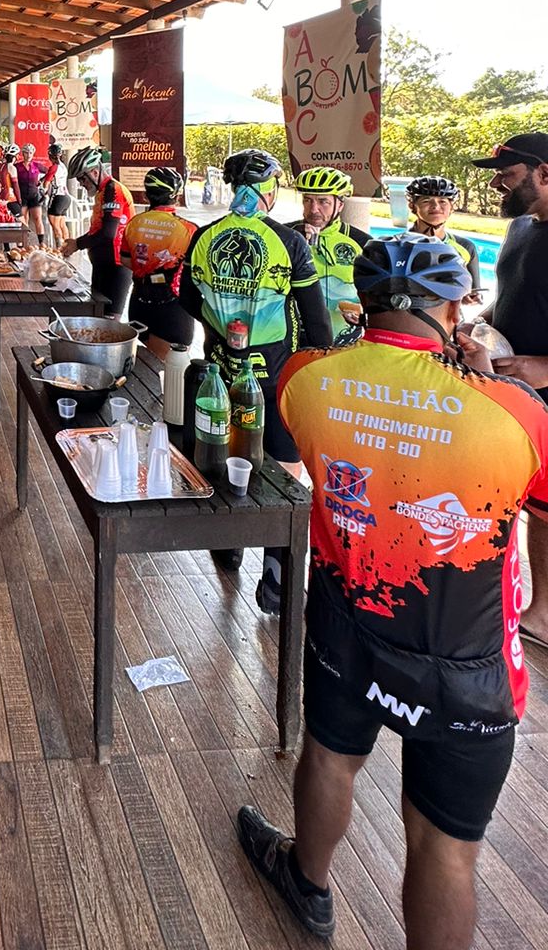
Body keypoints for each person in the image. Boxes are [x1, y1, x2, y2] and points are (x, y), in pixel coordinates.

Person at [240, 234, 548, 949]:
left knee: (329, 756)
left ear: (362, 302)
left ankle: (307, 882)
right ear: (454, 309)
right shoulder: (516, 412)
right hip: (468, 663)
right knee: (444, 846)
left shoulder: (304, 378)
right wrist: (487, 383)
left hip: (347, 625)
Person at [179, 147, 332, 612]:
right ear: (270, 190)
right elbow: (316, 320)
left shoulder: (204, 236)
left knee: (227, 458)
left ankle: (229, 548)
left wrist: (221, 326)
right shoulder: (289, 242)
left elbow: (187, 299)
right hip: (274, 376)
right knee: (284, 471)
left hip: (219, 374)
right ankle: (276, 581)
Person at [470, 132, 548, 650]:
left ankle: (542, 614)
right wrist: (477, 322)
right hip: (511, 393)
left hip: (542, 390)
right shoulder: (520, 228)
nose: (498, 182)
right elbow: (512, 294)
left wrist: (545, 368)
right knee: (523, 501)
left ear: (545, 173)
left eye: (509, 174)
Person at [123, 167, 198, 359]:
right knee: (173, 370)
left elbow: (125, 260)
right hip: (173, 309)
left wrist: (146, 267)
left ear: (146, 196)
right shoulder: (189, 229)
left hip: (139, 304)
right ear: (176, 197)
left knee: (141, 366)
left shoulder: (134, 223)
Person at [288, 167, 371, 340]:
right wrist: (294, 241)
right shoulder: (286, 235)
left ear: (340, 204)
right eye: (307, 200)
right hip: (295, 337)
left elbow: (376, 292)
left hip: (344, 336)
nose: (314, 209)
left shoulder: (362, 242)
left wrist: (364, 317)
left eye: (323, 201)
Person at [61, 145, 134, 319]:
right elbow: (98, 229)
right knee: (97, 317)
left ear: (94, 172)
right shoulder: (102, 192)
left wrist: (77, 244)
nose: (81, 184)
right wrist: (78, 243)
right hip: (102, 263)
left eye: (82, 179)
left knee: (109, 322)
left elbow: (108, 233)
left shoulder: (113, 190)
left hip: (116, 266)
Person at [406, 175, 482, 302]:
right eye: (426, 201)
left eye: (442, 201)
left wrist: (469, 297)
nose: (435, 206)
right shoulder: (397, 245)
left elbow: (474, 293)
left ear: (451, 207)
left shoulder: (466, 247)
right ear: (412, 206)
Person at [16, 142, 46, 247]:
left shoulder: (36, 165)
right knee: (23, 220)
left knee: (37, 218)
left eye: (30, 153)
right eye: (26, 152)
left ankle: (41, 243)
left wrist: (42, 181)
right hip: (22, 195)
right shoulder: (17, 166)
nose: (28, 155)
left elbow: (50, 173)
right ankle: (24, 242)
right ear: (23, 153)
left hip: (34, 195)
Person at [43, 143, 70, 249]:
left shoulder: (54, 167)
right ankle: (67, 247)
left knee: (55, 225)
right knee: (62, 224)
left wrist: (44, 191)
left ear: (50, 155)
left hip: (57, 197)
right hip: (66, 197)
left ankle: (59, 249)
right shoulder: (63, 166)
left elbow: (46, 183)